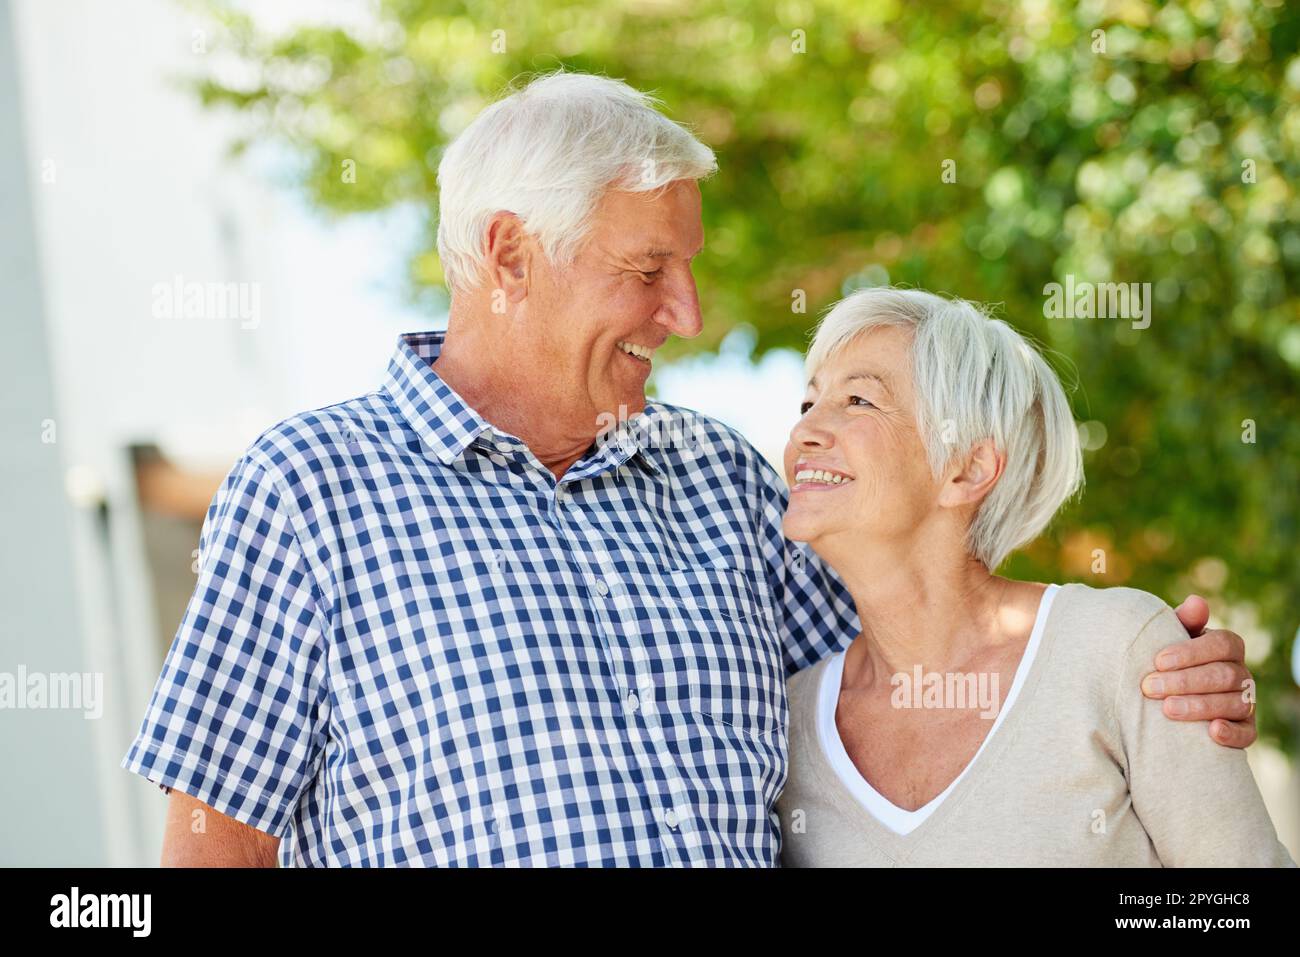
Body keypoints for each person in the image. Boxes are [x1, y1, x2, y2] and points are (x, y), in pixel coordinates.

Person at [123, 73, 1258, 867]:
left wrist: (1148, 676)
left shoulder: (723, 482)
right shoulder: (311, 488)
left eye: (689, 268)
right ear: (510, 254)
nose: (689, 313)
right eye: (648, 269)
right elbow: (218, 845)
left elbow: (926, 657)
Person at [776, 288, 1291, 866]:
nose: (805, 433)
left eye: (859, 401)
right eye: (807, 405)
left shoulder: (1118, 648)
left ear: (967, 469)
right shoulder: (785, 721)